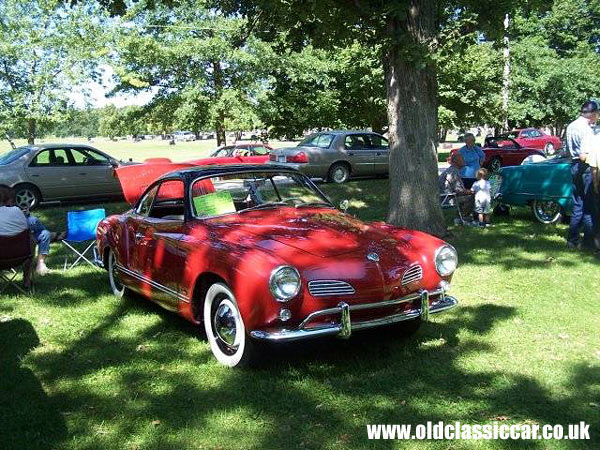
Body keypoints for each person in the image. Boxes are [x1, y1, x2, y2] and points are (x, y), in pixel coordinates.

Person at [3, 187, 64, 275]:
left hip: (6, 254)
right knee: (33, 221)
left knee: (44, 233)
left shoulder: (12, 210)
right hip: (19, 254)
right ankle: (53, 235)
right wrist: (24, 215)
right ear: (8, 200)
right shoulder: (14, 210)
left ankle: (41, 264)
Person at [565, 100, 598, 250]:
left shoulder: (571, 126)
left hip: (573, 165)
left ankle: (572, 239)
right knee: (589, 204)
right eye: (597, 114)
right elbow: (584, 155)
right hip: (585, 166)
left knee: (578, 203)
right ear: (592, 114)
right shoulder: (586, 129)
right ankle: (589, 242)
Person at [0, 186, 33, 288]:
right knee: (32, 240)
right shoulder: (17, 211)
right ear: (9, 200)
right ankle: (27, 279)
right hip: (21, 257)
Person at [438, 152, 474, 223]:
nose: (464, 161)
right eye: (462, 159)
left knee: (468, 195)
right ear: (456, 161)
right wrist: (473, 191)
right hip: (447, 198)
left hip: (445, 196)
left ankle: (459, 217)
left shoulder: (452, 170)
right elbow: (459, 191)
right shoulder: (453, 172)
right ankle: (464, 217)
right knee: (471, 196)